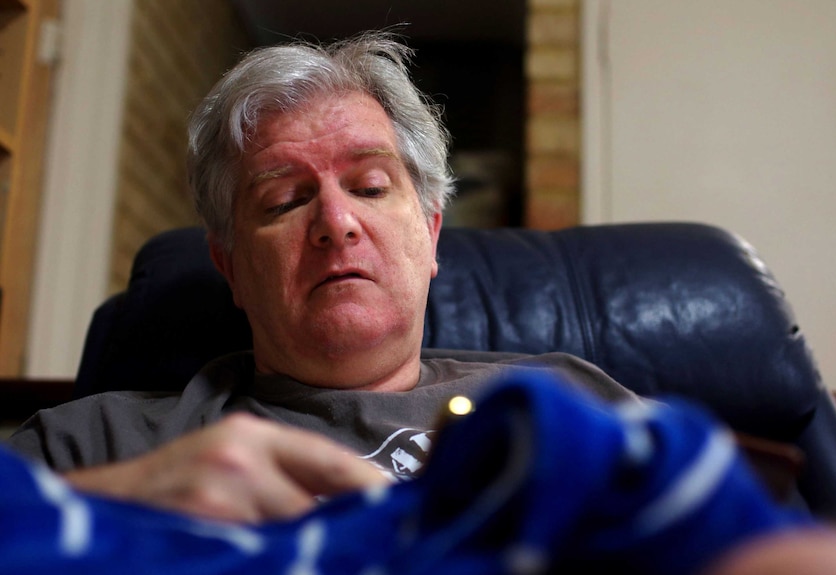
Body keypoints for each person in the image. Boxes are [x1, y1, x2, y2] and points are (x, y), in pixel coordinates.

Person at [8, 32, 636, 523]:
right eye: (283, 201)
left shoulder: (570, 396)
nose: (336, 223)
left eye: (369, 186)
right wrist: (114, 501)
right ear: (231, 268)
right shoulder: (99, 444)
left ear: (431, 232)